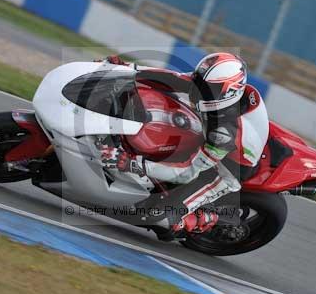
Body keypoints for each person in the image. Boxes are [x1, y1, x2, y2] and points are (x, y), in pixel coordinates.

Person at [101, 53, 269, 240]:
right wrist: (127, 68)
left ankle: (207, 218)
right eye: (199, 81)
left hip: (224, 169)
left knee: (157, 218)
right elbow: (174, 78)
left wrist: (133, 163)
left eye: (207, 89)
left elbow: (188, 173)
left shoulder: (224, 133)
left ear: (227, 93)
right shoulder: (211, 86)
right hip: (213, 135)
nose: (197, 89)